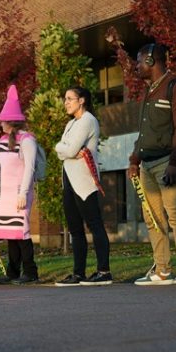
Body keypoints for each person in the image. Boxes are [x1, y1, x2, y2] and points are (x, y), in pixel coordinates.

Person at [128, 43, 176, 286]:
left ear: (150, 60)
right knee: (154, 219)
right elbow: (145, 132)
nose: (136, 66)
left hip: (168, 162)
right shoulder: (149, 92)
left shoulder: (175, 88)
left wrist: (175, 163)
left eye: (138, 61)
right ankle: (162, 269)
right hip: (147, 165)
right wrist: (134, 160)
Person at [54, 87, 112, 286]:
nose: (66, 102)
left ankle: (104, 271)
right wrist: (63, 149)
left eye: (70, 98)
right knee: (75, 229)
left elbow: (68, 149)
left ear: (82, 100)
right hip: (68, 179)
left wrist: (66, 150)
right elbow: (63, 149)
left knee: (94, 225)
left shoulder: (88, 120)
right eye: (65, 99)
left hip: (84, 181)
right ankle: (78, 274)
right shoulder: (71, 124)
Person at [0, 85, 41, 284]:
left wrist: (23, 193)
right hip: (3, 196)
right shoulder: (1, 141)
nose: (0, 123)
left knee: (22, 231)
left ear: (10, 121)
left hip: (20, 193)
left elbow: (30, 168)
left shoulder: (27, 140)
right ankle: (13, 271)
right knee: (10, 233)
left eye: (3, 120)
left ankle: (30, 272)